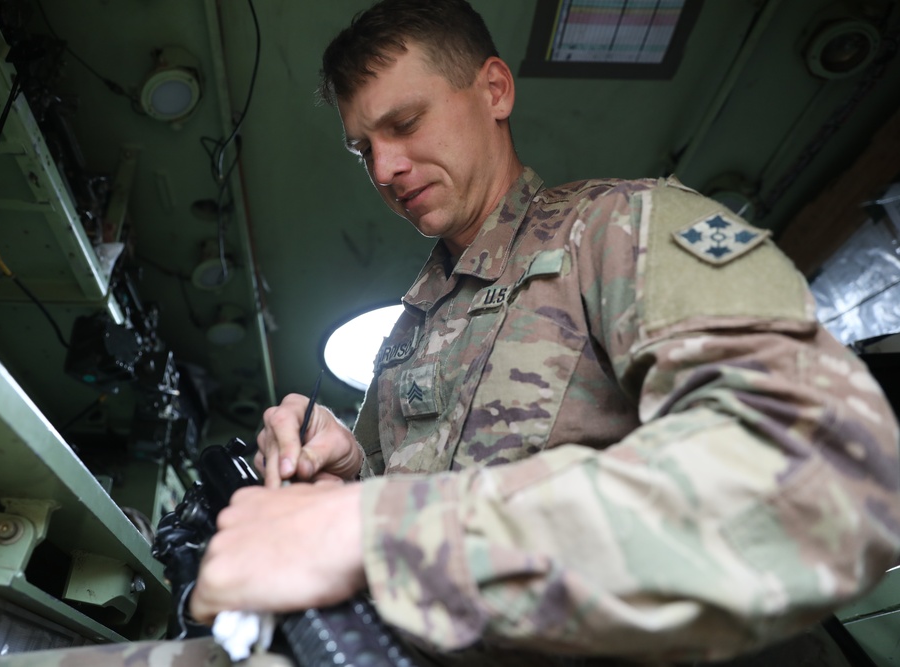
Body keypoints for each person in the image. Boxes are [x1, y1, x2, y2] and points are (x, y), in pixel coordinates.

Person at [187, 0, 900, 665]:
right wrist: (350, 476)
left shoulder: (625, 228)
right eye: (362, 148)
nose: (384, 168)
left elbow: (825, 467)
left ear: (495, 90)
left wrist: (372, 529)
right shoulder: (408, 328)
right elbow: (415, 492)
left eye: (405, 123)